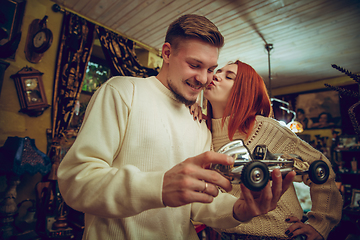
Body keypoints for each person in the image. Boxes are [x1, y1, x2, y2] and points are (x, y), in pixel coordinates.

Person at [57, 15, 295, 240]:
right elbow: (76, 181)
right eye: (195, 65)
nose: (204, 78)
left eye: (211, 69)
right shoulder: (122, 92)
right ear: (167, 53)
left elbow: (197, 203)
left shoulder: (200, 126)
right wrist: (158, 187)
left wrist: (239, 209)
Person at [192, 60, 342, 240]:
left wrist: (320, 224)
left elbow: (321, 167)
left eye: (229, 76)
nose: (216, 75)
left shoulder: (266, 128)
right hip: (225, 233)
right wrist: (189, 104)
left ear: (245, 92)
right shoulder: (202, 130)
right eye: (218, 71)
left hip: (277, 233)